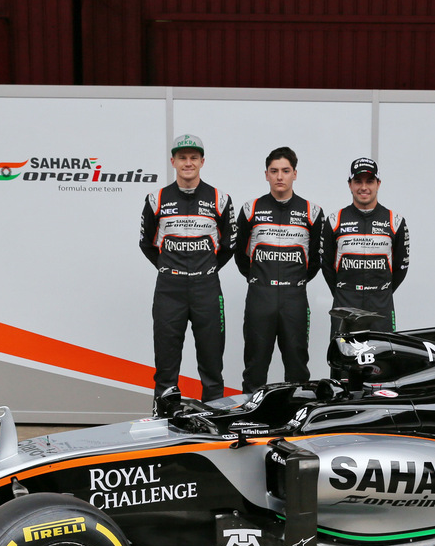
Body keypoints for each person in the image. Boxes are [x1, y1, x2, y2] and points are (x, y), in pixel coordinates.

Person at [138, 134, 235, 402]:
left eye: (193, 157)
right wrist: (170, 268)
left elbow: (228, 246)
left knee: (212, 366)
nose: (188, 163)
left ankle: (215, 430)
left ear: (202, 161)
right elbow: (147, 244)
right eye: (182, 157)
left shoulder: (221, 198)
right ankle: (165, 426)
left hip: (206, 288)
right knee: (166, 368)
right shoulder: (156, 199)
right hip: (170, 289)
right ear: (173, 161)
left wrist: (206, 269)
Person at [234, 147, 324, 392]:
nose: (279, 177)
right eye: (274, 171)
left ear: (295, 173)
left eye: (285, 171)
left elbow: (315, 259)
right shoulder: (250, 209)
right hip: (260, 297)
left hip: (294, 297)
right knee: (254, 367)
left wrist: (294, 281)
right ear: (266, 175)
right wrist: (261, 280)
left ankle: (296, 425)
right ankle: (251, 423)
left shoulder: (312, 212)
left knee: (297, 368)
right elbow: (241, 256)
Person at [322, 157, 410, 332]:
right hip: (345, 302)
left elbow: (401, 267)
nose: (364, 187)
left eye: (369, 181)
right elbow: (326, 265)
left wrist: (381, 292)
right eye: (358, 181)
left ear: (378, 183)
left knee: (381, 358)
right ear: (350, 184)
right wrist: (344, 291)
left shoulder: (395, 221)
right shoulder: (334, 221)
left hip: (380, 303)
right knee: (344, 356)